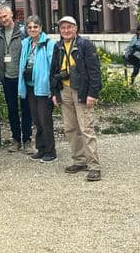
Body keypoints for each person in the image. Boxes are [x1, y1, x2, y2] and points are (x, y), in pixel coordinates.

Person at [50, 16, 102, 181]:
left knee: (86, 127)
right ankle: (79, 160)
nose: (66, 30)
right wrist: (54, 92)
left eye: (69, 27)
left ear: (76, 28)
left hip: (81, 89)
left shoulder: (84, 45)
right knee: (70, 128)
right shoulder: (58, 46)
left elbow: (94, 70)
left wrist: (93, 93)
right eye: (63, 28)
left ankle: (94, 165)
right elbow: (53, 70)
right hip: (64, 88)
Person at [18, 15, 57, 162]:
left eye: (35, 27)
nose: (32, 29)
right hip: (29, 87)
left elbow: (53, 67)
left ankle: (50, 151)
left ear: (40, 28)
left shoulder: (48, 44)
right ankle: (41, 148)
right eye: (29, 27)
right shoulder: (26, 43)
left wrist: (51, 88)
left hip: (43, 87)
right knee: (36, 119)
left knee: (45, 119)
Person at [0, 5, 31, 152]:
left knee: (26, 108)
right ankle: (16, 139)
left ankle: (27, 139)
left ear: (12, 15)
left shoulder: (23, 32)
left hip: (21, 76)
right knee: (12, 109)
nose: (3, 19)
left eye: (6, 16)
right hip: (7, 76)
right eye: (1, 17)